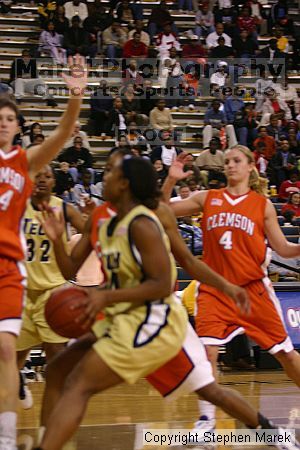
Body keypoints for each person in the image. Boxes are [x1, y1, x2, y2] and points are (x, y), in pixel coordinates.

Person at [34, 152, 294, 450]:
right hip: (123, 320)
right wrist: (56, 240)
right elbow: (69, 270)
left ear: (125, 184)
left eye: (110, 173)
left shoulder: (144, 223)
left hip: (153, 321)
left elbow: (164, 280)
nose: (103, 178)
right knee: (58, 371)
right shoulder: (99, 218)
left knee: (78, 385)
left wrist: (226, 286)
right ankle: (270, 434)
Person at [162, 146, 300, 436]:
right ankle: (207, 423)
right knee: (208, 353)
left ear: (251, 166)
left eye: (236, 161)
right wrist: (171, 179)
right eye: (226, 162)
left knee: (286, 355)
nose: (230, 166)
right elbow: (161, 212)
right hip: (214, 289)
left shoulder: (262, 205)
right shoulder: (207, 198)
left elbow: (284, 248)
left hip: (252, 290)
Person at [0, 55, 87, 450]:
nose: (3, 123)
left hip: (29, 280)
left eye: (9, 118)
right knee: (7, 364)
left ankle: (31, 438)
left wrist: (75, 93)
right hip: (18, 283)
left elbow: (64, 132)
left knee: (37, 363)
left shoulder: (28, 164)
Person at [17, 165, 86, 408]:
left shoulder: (65, 209)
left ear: (54, 183)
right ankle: (16, 382)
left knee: (56, 356)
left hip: (53, 293)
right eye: (36, 175)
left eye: (47, 176)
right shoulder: (16, 205)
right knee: (10, 360)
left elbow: (92, 233)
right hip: (22, 292)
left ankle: (59, 412)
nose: (41, 180)